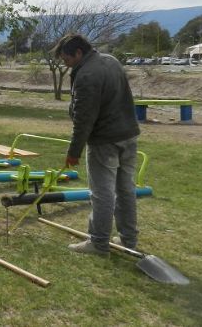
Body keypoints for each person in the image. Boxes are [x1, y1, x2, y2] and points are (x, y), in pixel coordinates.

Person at [54, 34, 141, 257]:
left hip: (105, 141)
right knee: (126, 190)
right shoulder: (111, 61)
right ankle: (128, 239)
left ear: (78, 53)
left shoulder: (86, 75)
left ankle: (99, 243)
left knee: (102, 193)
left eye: (67, 59)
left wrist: (73, 152)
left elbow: (84, 120)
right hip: (129, 135)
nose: (66, 64)